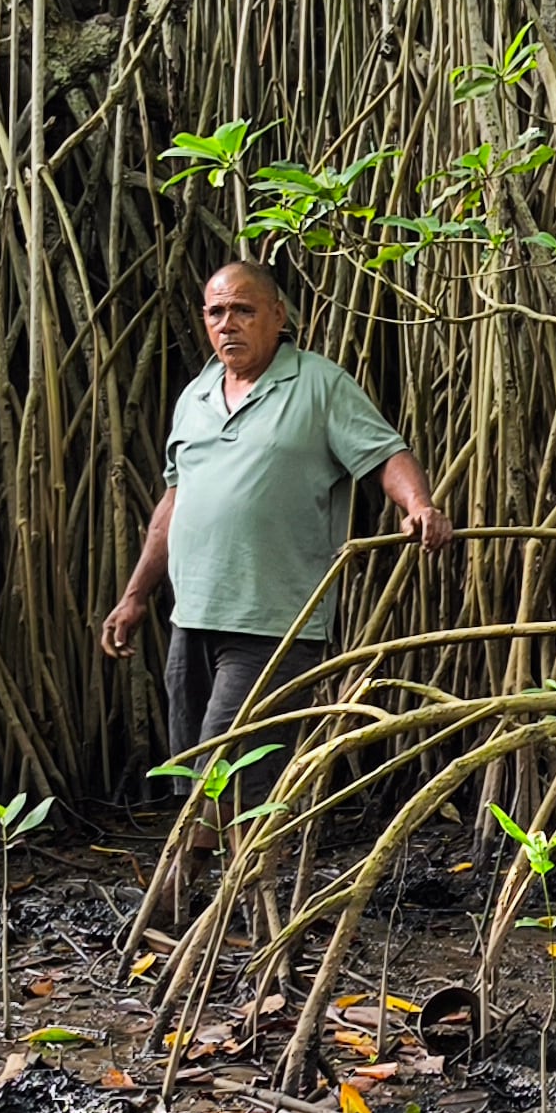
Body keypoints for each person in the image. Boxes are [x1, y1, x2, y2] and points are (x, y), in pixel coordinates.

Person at [101, 258, 449, 757]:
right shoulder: (195, 396)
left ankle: (238, 842)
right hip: (193, 618)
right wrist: (135, 596)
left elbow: (386, 454)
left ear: (278, 316)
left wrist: (419, 505)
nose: (228, 324)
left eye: (243, 310)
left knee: (234, 773)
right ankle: (209, 842)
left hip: (275, 624)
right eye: (216, 312)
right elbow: (176, 501)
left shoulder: (320, 385)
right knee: (195, 776)